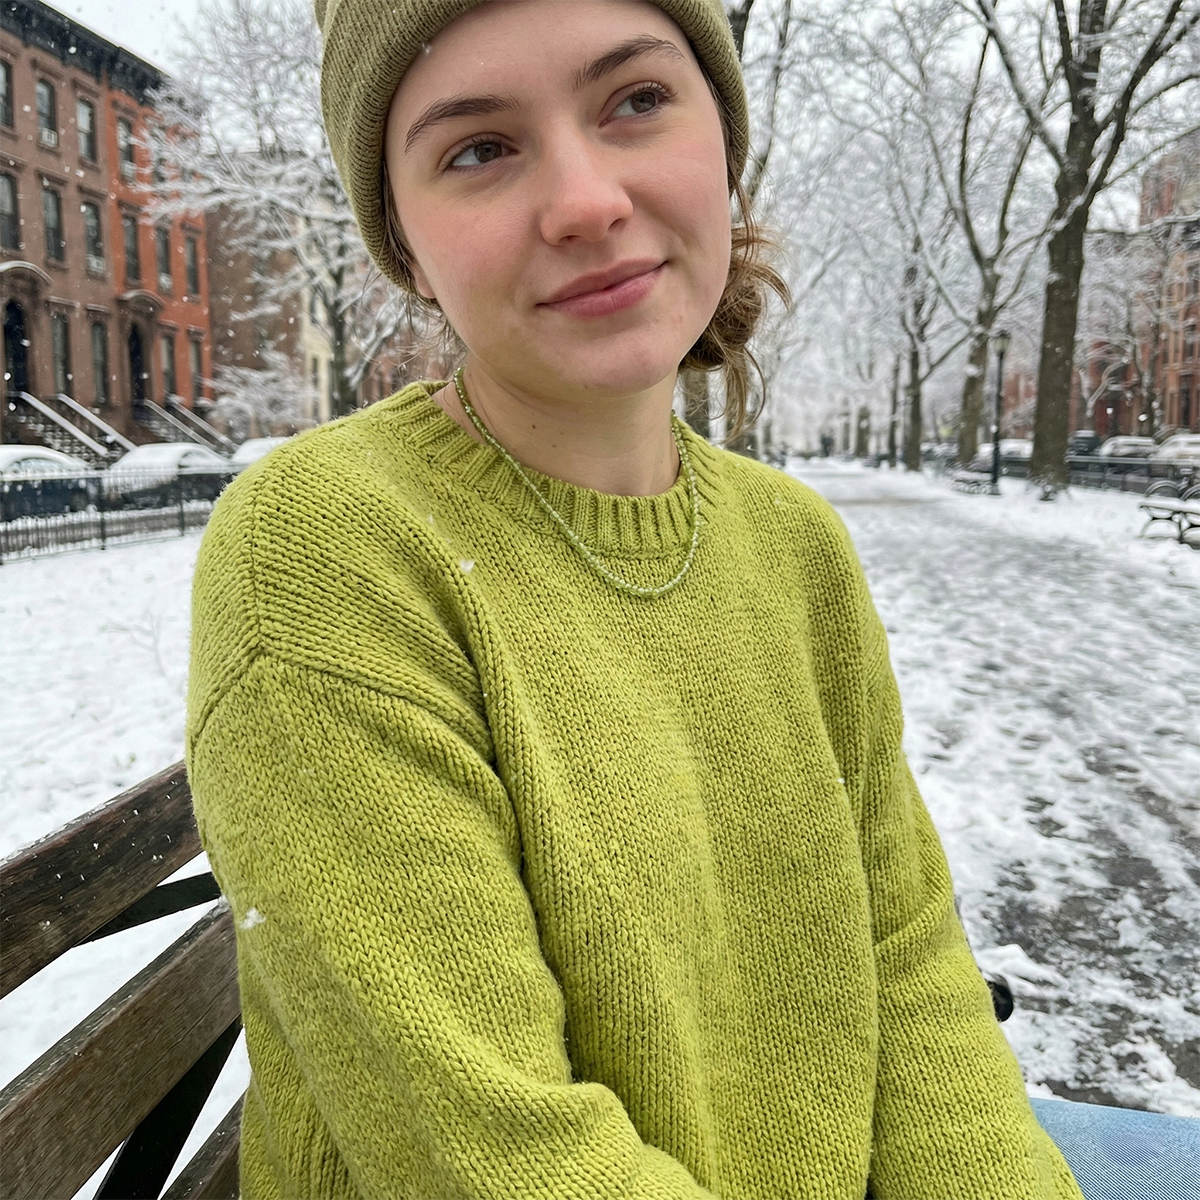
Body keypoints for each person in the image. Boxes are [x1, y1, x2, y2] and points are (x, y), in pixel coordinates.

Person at [185, 0, 1084, 1196]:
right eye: (479, 149)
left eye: (636, 101)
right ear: (404, 240)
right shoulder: (327, 554)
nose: (586, 202)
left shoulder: (795, 546)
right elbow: (498, 1153)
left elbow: (908, 960)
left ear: (723, 137)